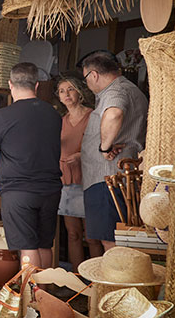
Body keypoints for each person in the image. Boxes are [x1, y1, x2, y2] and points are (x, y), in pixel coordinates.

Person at [0, 63, 62, 269]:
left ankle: (32, 290)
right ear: (36, 85)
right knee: (45, 245)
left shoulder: (3, 116)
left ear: (10, 84)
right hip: (50, 189)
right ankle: (45, 288)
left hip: (19, 190)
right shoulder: (53, 114)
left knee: (28, 247)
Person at [80, 49, 148, 252]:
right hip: (116, 177)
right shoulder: (129, 88)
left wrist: (105, 147)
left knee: (112, 240)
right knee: (118, 238)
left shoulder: (115, 91)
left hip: (108, 177)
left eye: (86, 79)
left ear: (93, 75)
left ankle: (117, 275)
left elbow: (114, 114)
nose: (87, 84)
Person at [56, 75, 94, 270]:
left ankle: (96, 279)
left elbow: (101, 145)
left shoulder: (92, 116)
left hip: (88, 180)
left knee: (92, 235)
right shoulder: (60, 121)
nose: (67, 94)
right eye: (62, 91)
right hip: (66, 180)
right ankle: (77, 278)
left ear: (80, 92)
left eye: (70, 89)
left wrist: (80, 155)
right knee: (73, 234)